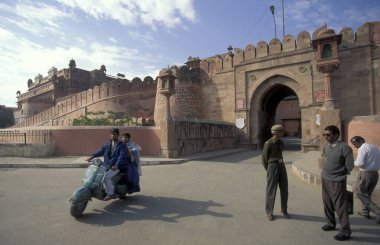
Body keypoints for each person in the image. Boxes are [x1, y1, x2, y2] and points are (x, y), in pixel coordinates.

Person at [321, 125, 354, 241]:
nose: (326, 137)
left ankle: (345, 230)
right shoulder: (326, 146)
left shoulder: (344, 147)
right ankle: (330, 223)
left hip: (337, 180)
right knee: (327, 202)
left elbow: (350, 165)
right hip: (325, 178)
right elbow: (324, 158)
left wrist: (340, 173)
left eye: (328, 135)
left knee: (340, 206)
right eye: (324, 135)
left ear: (336, 135)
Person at [86, 128, 128, 201]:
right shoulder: (107, 144)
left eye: (114, 134)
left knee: (106, 177)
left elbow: (122, 157)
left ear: (117, 135)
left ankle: (110, 194)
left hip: (118, 167)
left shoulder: (122, 145)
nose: (112, 136)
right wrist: (91, 156)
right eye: (111, 134)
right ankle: (101, 188)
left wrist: (117, 165)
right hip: (107, 165)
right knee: (96, 173)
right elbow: (100, 151)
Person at [350, 136, 380, 224]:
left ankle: (378, 211)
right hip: (375, 173)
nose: (355, 146)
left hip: (365, 173)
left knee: (359, 192)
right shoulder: (374, 147)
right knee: (367, 193)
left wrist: (353, 162)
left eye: (355, 144)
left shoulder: (363, 148)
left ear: (361, 141)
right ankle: (365, 211)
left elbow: (360, 162)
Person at [262, 124, 289, 221]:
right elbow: (264, 159)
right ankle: (269, 212)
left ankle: (284, 209)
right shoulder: (268, 143)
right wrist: (269, 169)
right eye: (281, 131)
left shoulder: (281, 142)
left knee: (284, 188)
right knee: (271, 190)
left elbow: (281, 152)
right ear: (275, 132)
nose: (282, 132)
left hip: (281, 165)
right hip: (272, 166)